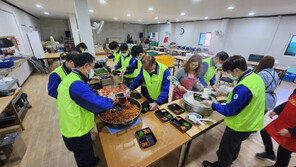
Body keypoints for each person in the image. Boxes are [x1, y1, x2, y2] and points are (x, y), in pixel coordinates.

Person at [201, 55, 265, 167]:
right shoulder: (255, 77)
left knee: (226, 149)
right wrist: (227, 93)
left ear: (237, 70)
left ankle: (222, 164)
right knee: (235, 145)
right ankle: (230, 160)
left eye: (230, 73)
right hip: (251, 122)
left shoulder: (244, 87)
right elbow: (246, 99)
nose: (230, 76)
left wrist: (212, 105)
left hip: (239, 125)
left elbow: (229, 110)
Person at [56, 53, 115, 167]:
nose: (92, 71)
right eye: (92, 68)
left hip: (73, 126)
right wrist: (111, 101)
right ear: (86, 66)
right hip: (76, 132)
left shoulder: (71, 78)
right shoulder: (76, 84)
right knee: (83, 160)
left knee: (88, 152)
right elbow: (97, 103)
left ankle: (92, 161)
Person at [256, 89, 296, 167]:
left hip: (293, 130)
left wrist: (290, 131)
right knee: (265, 132)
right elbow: (289, 102)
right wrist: (276, 110)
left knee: (284, 151)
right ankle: (269, 153)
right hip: (282, 122)